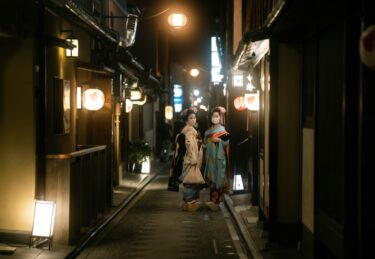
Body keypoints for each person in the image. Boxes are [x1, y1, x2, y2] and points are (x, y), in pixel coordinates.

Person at [168, 107, 204, 211]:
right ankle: (189, 201)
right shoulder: (189, 131)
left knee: (190, 180)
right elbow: (189, 145)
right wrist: (193, 158)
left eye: (194, 117)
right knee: (191, 181)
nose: (194, 119)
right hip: (190, 160)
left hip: (190, 159)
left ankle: (187, 202)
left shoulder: (189, 130)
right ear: (186, 120)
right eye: (191, 118)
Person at [203, 107, 230, 211]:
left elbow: (226, 144)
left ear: (220, 118)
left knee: (218, 178)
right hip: (210, 158)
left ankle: (216, 201)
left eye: (217, 116)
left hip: (218, 158)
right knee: (212, 179)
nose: (215, 118)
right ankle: (213, 201)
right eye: (213, 116)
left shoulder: (223, 131)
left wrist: (218, 140)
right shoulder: (208, 131)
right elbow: (205, 144)